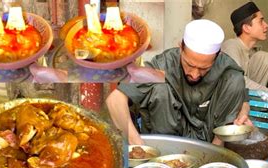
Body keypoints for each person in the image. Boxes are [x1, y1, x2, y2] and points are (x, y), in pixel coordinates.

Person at [106, 19, 248, 146]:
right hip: (168, 134)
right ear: (180, 48)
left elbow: (241, 96)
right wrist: (137, 144)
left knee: (235, 80)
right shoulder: (163, 64)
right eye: (189, 65)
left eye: (204, 68)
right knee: (159, 88)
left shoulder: (228, 70)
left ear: (218, 58)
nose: (194, 74)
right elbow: (115, 100)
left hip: (208, 136)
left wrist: (243, 110)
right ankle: (163, 156)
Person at [222, 1, 268, 118]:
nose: (266, 25)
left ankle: (254, 109)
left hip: (245, 101)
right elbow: (238, 81)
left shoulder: (253, 53)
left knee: (263, 57)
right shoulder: (231, 46)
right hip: (226, 107)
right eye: (261, 21)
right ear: (246, 28)